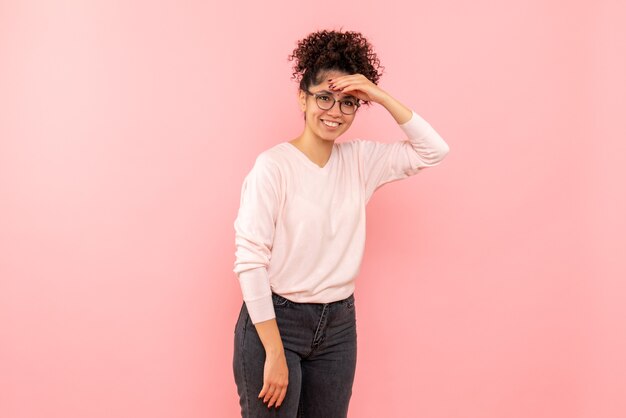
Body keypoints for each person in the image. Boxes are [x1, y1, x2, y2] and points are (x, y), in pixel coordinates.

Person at [232, 29, 450, 417]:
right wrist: (275, 352)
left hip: (338, 328)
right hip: (276, 321)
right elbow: (250, 260)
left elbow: (434, 150)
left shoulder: (360, 162)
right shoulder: (273, 167)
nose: (334, 111)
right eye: (324, 97)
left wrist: (379, 96)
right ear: (302, 97)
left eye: (348, 102)